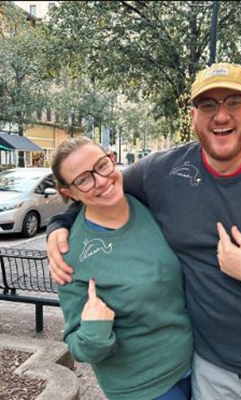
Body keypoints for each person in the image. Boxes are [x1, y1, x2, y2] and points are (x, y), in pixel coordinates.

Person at [47, 63, 241, 400]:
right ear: (193, 115)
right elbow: (100, 188)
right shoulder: (162, 172)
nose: (220, 116)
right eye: (208, 105)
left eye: (233, 102)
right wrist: (59, 225)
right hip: (207, 367)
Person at [51, 137, 192, 400]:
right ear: (70, 193)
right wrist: (94, 331)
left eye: (101, 165)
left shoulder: (145, 202)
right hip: (142, 386)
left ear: (112, 159)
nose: (101, 180)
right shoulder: (71, 255)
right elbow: (77, 345)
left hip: (192, 362)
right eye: (84, 179)